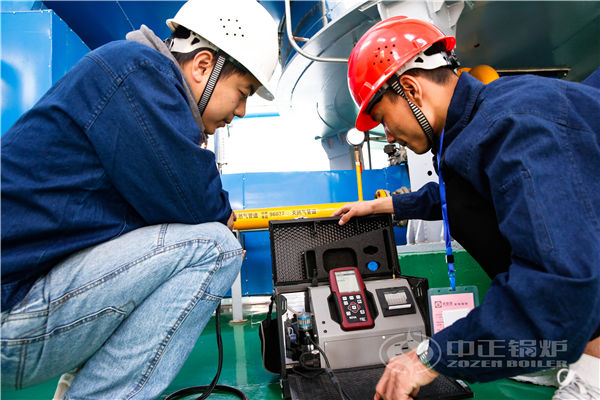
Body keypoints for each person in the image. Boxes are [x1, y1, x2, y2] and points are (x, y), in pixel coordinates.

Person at [0, 0, 278, 398]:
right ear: (202, 66)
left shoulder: (129, 77)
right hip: (11, 315)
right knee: (215, 247)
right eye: (243, 92)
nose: (242, 111)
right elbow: (207, 209)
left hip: (19, 306)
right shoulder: (139, 71)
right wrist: (219, 214)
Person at [333, 16, 600, 400]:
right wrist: (386, 206)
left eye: (382, 119)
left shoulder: (515, 125)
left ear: (409, 88)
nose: (387, 134)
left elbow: (561, 281)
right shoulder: (475, 127)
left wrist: (429, 357)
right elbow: (458, 194)